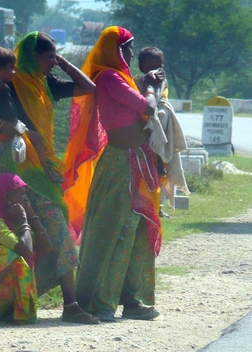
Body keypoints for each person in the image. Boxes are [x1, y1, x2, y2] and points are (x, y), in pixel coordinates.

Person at [0, 31, 99, 324]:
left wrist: (63, 63)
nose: (52, 62)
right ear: (33, 57)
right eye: (48, 56)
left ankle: (68, 303)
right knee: (13, 231)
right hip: (13, 167)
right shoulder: (10, 81)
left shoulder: (44, 83)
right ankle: (1, 305)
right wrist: (6, 127)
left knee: (53, 225)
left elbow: (88, 87)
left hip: (40, 167)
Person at [64, 26, 163, 322]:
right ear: (116, 50)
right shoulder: (110, 78)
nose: (132, 54)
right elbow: (146, 107)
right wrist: (150, 88)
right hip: (121, 163)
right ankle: (100, 302)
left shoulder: (123, 78)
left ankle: (133, 300)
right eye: (128, 49)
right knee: (112, 232)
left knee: (137, 232)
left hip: (139, 161)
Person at [0, 46, 64, 183]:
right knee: (37, 139)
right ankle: (46, 172)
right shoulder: (2, 88)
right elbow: (8, 112)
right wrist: (7, 123)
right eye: (11, 68)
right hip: (5, 130)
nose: (14, 72)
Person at [0, 173, 53, 324]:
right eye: (21, 194)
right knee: (10, 255)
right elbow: (25, 250)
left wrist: (31, 215)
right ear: (6, 197)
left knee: (24, 255)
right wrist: (24, 221)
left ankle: (10, 310)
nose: (26, 199)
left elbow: (46, 247)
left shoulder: (13, 217)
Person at [135, 47, 190, 216]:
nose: (157, 71)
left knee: (160, 172)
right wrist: (146, 81)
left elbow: (157, 100)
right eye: (151, 67)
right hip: (142, 132)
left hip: (159, 133)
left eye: (160, 67)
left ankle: (158, 207)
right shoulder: (137, 81)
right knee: (143, 173)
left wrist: (152, 83)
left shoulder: (162, 82)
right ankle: (143, 206)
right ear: (142, 67)